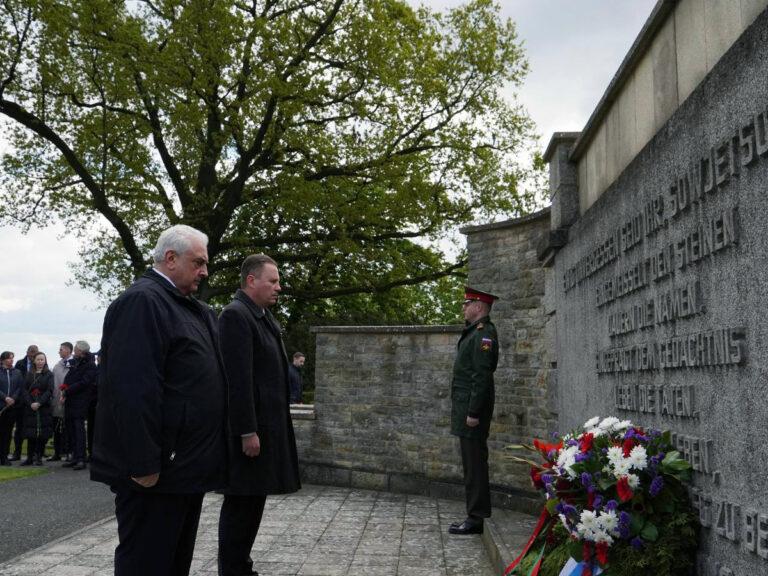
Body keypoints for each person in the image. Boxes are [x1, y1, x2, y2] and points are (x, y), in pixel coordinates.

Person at [91, 224, 227, 576]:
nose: (205, 271)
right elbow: (131, 389)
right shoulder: (142, 302)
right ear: (170, 259)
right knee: (147, 565)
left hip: (185, 470)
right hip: (156, 474)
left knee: (173, 564)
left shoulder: (189, 308)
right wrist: (144, 464)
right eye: (198, 262)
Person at [217, 254, 300, 576]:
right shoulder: (236, 316)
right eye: (273, 280)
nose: (279, 287)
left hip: (267, 428)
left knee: (253, 503)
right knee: (241, 504)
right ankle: (232, 570)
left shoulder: (261, 316)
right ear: (251, 281)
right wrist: (246, 431)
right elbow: (237, 381)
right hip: (251, 433)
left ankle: (242, 566)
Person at [448, 287, 500, 536]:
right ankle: (474, 514)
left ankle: (476, 518)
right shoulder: (475, 332)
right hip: (466, 408)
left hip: (471, 412)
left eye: (467, 303)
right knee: (471, 464)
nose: (463, 307)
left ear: (478, 306)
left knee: (475, 464)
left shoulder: (484, 334)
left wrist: (474, 412)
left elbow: (481, 377)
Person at [61, 341, 98, 471]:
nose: (74, 351)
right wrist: (64, 389)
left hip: (81, 401)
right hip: (70, 400)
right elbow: (69, 378)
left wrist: (68, 390)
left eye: (76, 349)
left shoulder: (90, 365)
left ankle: (81, 458)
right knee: (71, 429)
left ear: (81, 351)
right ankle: (75, 457)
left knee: (78, 430)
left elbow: (84, 382)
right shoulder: (76, 363)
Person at [20, 352, 54, 466]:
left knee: (41, 435)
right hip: (30, 409)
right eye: (38, 359)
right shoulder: (29, 374)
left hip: (43, 408)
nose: (40, 362)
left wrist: (39, 403)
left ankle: (38, 457)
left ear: (45, 361)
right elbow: (24, 390)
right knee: (31, 434)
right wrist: (31, 403)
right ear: (34, 361)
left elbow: (49, 390)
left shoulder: (49, 374)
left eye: (42, 360)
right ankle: (29, 458)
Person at [9, 344, 38, 461]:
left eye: (35, 352)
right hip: (20, 401)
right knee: (19, 429)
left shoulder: (39, 364)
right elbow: (17, 382)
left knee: (32, 429)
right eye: (31, 352)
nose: (33, 354)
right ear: (27, 352)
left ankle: (34, 454)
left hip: (33, 401)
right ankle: (17, 453)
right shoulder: (20, 364)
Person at [50, 342, 73, 462]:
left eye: (61, 349)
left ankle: (69, 451)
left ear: (68, 350)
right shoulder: (57, 366)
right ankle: (57, 452)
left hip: (69, 400)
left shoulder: (74, 365)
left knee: (68, 428)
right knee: (56, 427)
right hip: (57, 400)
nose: (59, 351)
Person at [0, 351, 23, 466]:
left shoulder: (17, 372)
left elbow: (20, 387)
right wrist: (5, 398)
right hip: (1, 406)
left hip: (12, 407)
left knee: (7, 433)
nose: (11, 360)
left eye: (12, 358)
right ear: (2, 360)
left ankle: (4, 456)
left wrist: (13, 398)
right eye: (9, 358)